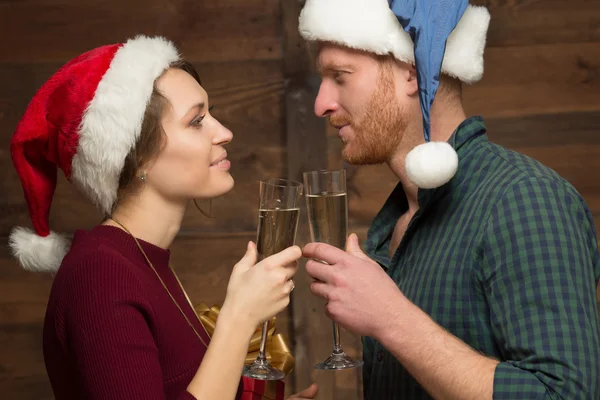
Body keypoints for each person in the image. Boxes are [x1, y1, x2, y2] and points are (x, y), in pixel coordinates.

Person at [297, 0, 600, 399]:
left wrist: (391, 319)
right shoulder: (394, 222)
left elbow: (565, 395)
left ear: (411, 70)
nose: (322, 104)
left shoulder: (524, 199)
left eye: (340, 75)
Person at [8, 35, 318, 400]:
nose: (225, 133)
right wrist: (240, 317)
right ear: (138, 157)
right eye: (197, 120)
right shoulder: (100, 274)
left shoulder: (145, 261)